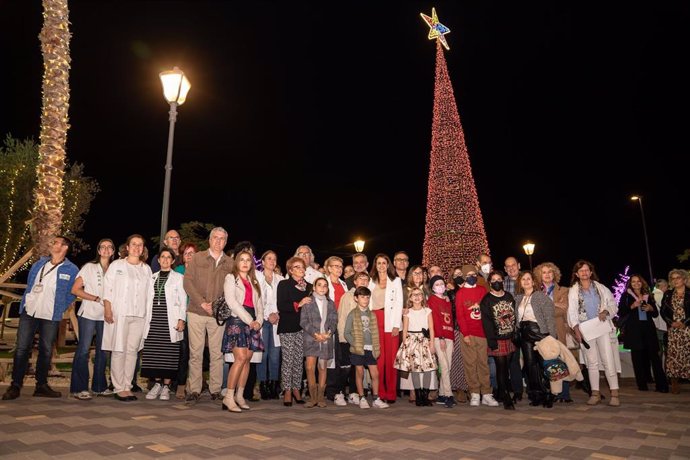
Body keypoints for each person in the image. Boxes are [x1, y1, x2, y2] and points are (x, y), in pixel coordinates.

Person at [2, 236, 78, 401]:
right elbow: (31, 284)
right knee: (22, 348)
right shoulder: (39, 264)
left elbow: (72, 293)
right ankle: (15, 385)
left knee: (45, 350)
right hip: (30, 312)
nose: (52, 244)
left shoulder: (72, 269)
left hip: (50, 314)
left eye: (56, 242)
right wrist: (28, 300)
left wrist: (60, 307)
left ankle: (41, 385)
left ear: (65, 247)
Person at [183, 227, 234, 405]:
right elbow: (187, 282)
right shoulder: (197, 257)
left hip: (217, 315)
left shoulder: (229, 263)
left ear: (226, 242)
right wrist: (202, 303)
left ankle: (215, 389)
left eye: (222, 239)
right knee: (195, 353)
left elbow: (232, 289)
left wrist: (217, 307)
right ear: (209, 240)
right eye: (215, 238)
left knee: (217, 354)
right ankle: (194, 390)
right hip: (196, 311)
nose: (218, 241)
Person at [101, 234, 153, 402]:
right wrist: (108, 309)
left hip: (139, 315)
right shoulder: (117, 265)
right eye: (134, 244)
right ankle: (118, 387)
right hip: (120, 314)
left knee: (132, 352)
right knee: (118, 349)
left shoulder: (146, 269)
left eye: (140, 245)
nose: (137, 247)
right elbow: (107, 288)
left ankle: (127, 386)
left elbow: (149, 294)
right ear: (128, 247)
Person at [568, 260, 621, 406]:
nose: (584, 272)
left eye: (587, 270)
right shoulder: (573, 291)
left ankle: (615, 394)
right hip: (586, 330)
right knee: (592, 363)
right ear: (576, 274)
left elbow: (612, 304)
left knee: (608, 359)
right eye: (581, 271)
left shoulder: (601, 288)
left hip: (602, 327)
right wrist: (576, 329)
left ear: (591, 272)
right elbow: (571, 312)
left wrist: (606, 311)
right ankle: (595, 393)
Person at [69, 239, 115, 400]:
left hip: (107, 315)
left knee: (103, 351)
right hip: (88, 314)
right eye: (103, 247)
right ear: (98, 250)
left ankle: (99, 386)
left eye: (109, 247)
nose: (106, 249)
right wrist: (95, 298)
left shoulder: (116, 269)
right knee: (83, 350)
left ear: (113, 251)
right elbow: (75, 289)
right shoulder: (89, 267)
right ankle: (79, 388)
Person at [221, 250, 264, 412]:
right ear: (236, 262)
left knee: (247, 359)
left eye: (248, 260)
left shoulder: (254, 280)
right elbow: (231, 302)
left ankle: (239, 395)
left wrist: (259, 321)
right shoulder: (231, 278)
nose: (245, 263)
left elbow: (260, 304)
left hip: (253, 323)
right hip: (238, 320)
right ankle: (228, 397)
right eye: (242, 260)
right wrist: (249, 320)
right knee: (239, 358)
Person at [142, 248, 187, 401]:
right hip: (154, 320)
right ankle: (157, 384)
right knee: (154, 354)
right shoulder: (152, 278)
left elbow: (182, 301)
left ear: (173, 261)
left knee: (169, 354)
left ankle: (166, 387)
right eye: (163, 257)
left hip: (171, 321)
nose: (166, 260)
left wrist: (181, 319)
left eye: (169, 257)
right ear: (159, 260)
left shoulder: (179, 278)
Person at [534, 262, 577, 402]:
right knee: (548, 363)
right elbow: (536, 311)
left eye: (550, 272)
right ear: (540, 275)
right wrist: (554, 303)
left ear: (555, 274)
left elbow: (563, 309)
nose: (547, 275)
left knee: (562, 362)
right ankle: (553, 393)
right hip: (542, 332)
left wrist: (548, 305)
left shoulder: (564, 290)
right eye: (544, 272)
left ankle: (564, 394)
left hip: (559, 330)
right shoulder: (536, 292)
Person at [618, 274, 668, 393]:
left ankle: (661, 385)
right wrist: (633, 305)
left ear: (642, 283)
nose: (636, 283)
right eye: (633, 281)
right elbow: (621, 312)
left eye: (638, 281)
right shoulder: (626, 295)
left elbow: (655, 313)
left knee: (654, 357)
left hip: (648, 329)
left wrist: (650, 308)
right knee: (637, 359)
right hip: (634, 331)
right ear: (630, 283)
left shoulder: (648, 295)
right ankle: (642, 385)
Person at [514, 271, 557, 407]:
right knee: (530, 365)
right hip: (525, 334)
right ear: (520, 282)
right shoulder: (518, 298)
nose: (526, 281)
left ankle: (550, 394)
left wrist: (552, 336)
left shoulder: (540, 296)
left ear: (533, 282)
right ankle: (536, 394)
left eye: (528, 279)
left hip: (540, 332)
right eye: (523, 279)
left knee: (544, 364)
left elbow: (550, 317)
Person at [344, 286, 389, 409]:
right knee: (359, 373)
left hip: (370, 349)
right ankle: (362, 397)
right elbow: (346, 333)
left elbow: (375, 333)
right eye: (362, 297)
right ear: (356, 298)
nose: (365, 299)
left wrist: (376, 346)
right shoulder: (352, 314)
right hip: (358, 349)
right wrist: (355, 344)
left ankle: (375, 398)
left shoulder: (372, 315)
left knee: (375, 374)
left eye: (367, 297)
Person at [455, 264, 493, 407]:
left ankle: (487, 393)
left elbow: (487, 309)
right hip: (468, 333)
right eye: (468, 275)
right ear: (464, 277)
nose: (472, 277)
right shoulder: (460, 293)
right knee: (470, 364)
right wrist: (465, 334)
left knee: (483, 363)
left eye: (473, 274)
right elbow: (460, 315)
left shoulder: (482, 290)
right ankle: (475, 393)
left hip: (482, 332)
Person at [368, 253, 404, 403]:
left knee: (391, 359)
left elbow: (399, 303)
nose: (381, 266)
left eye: (384, 263)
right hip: (374, 320)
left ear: (388, 265)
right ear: (375, 265)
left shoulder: (395, 281)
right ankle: (380, 392)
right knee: (379, 358)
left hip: (390, 321)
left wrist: (396, 324)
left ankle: (391, 393)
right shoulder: (370, 281)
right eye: (379, 263)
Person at [277, 256, 312, 406]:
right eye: (297, 267)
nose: (301, 269)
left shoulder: (310, 287)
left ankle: (297, 389)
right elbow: (282, 306)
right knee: (288, 360)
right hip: (288, 326)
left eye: (302, 267)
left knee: (299, 361)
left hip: (303, 329)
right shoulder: (284, 284)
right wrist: (299, 303)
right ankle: (287, 391)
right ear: (290, 270)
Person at [395, 287, 437, 406]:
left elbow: (431, 328)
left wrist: (432, 343)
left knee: (428, 368)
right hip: (412, 342)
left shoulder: (427, 311)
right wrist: (405, 345)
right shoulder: (408, 312)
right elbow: (405, 330)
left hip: (425, 341)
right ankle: (418, 396)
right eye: (414, 295)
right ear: (410, 298)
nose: (417, 297)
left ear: (423, 296)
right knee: (415, 370)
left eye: (419, 294)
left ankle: (425, 395)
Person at [300, 277, 337, 408]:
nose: (322, 287)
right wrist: (315, 334)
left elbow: (333, 321)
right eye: (319, 285)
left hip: (326, 339)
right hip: (311, 338)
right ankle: (313, 397)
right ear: (314, 288)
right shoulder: (308, 302)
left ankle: (321, 397)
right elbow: (303, 321)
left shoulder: (331, 303)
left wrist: (328, 333)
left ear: (327, 289)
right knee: (310, 367)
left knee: (322, 368)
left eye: (325, 285)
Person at [336, 271, 371, 405]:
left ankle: (353, 392)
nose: (363, 281)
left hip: (362, 340)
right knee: (345, 366)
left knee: (356, 367)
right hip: (347, 338)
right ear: (355, 281)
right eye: (360, 278)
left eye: (365, 279)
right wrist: (343, 338)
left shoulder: (368, 297)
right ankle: (339, 393)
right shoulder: (347, 296)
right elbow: (342, 317)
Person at [255, 250, 284, 400]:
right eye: (269, 259)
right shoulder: (257, 277)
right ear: (263, 261)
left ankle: (273, 385)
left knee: (275, 355)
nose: (272, 261)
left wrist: (277, 314)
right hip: (262, 320)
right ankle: (263, 384)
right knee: (263, 354)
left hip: (276, 321)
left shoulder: (280, 279)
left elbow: (283, 300)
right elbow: (257, 300)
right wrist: (267, 315)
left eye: (274, 259)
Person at [172, 242, 197, 399]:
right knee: (182, 353)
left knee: (196, 353)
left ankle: (193, 383)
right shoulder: (178, 271)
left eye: (192, 253)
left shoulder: (201, 272)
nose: (189, 256)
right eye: (186, 253)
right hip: (181, 317)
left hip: (196, 316)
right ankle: (179, 385)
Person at [323, 256, 349, 404]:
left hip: (343, 325)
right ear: (329, 268)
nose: (339, 269)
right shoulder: (324, 284)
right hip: (330, 325)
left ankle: (340, 389)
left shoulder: (344, 284)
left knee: (343, 359)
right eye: (335, 266)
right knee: (332, 360)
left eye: (340, 266)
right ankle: (332, 391)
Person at [660, 269, 690, 394]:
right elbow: (663, 311)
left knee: (688, 354)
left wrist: (685, 322)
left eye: (678, 277)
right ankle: (674, 385)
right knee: (674, 356)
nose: (675, 280)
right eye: (673, 278)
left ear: (684, 279)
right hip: (673, 330)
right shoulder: (667, 294)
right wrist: (671, 322)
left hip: (688, 328)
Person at [428, 275, 455, 408]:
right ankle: (449, 395)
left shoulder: (447, 300)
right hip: (440, 336)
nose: (440, 286)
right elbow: (436, 320)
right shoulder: (432, 300)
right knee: (443, 365)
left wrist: (451, 338)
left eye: (442, 283)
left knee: (448, 366)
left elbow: (451, 317)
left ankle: (442, 394)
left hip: (449, 335)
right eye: (437, 284)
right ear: (432, 287)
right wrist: (441, 337)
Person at [652, 279, 669, 365]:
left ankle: (659, 374)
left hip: (657, 327)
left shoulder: (653, 294)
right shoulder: (659, 294)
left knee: (659, 351)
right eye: (667, 286)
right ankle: (663, 374)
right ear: (663, 286)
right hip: (661, 327)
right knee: (664, 352)